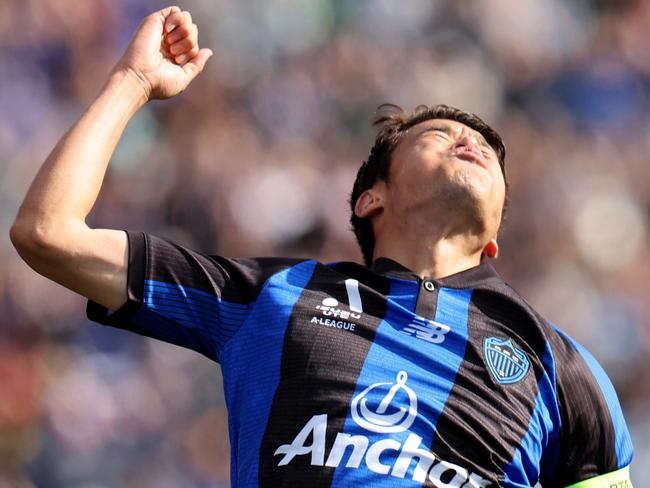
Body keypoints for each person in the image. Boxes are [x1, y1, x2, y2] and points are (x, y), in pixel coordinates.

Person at [10, 6, 634, 488]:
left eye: (486, 152)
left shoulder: (565, 369)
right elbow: (47, 233)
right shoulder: (274, 295)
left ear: (495, 234)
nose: (468, 142)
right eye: (441, 134)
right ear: (370, 200)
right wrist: (132, 81)